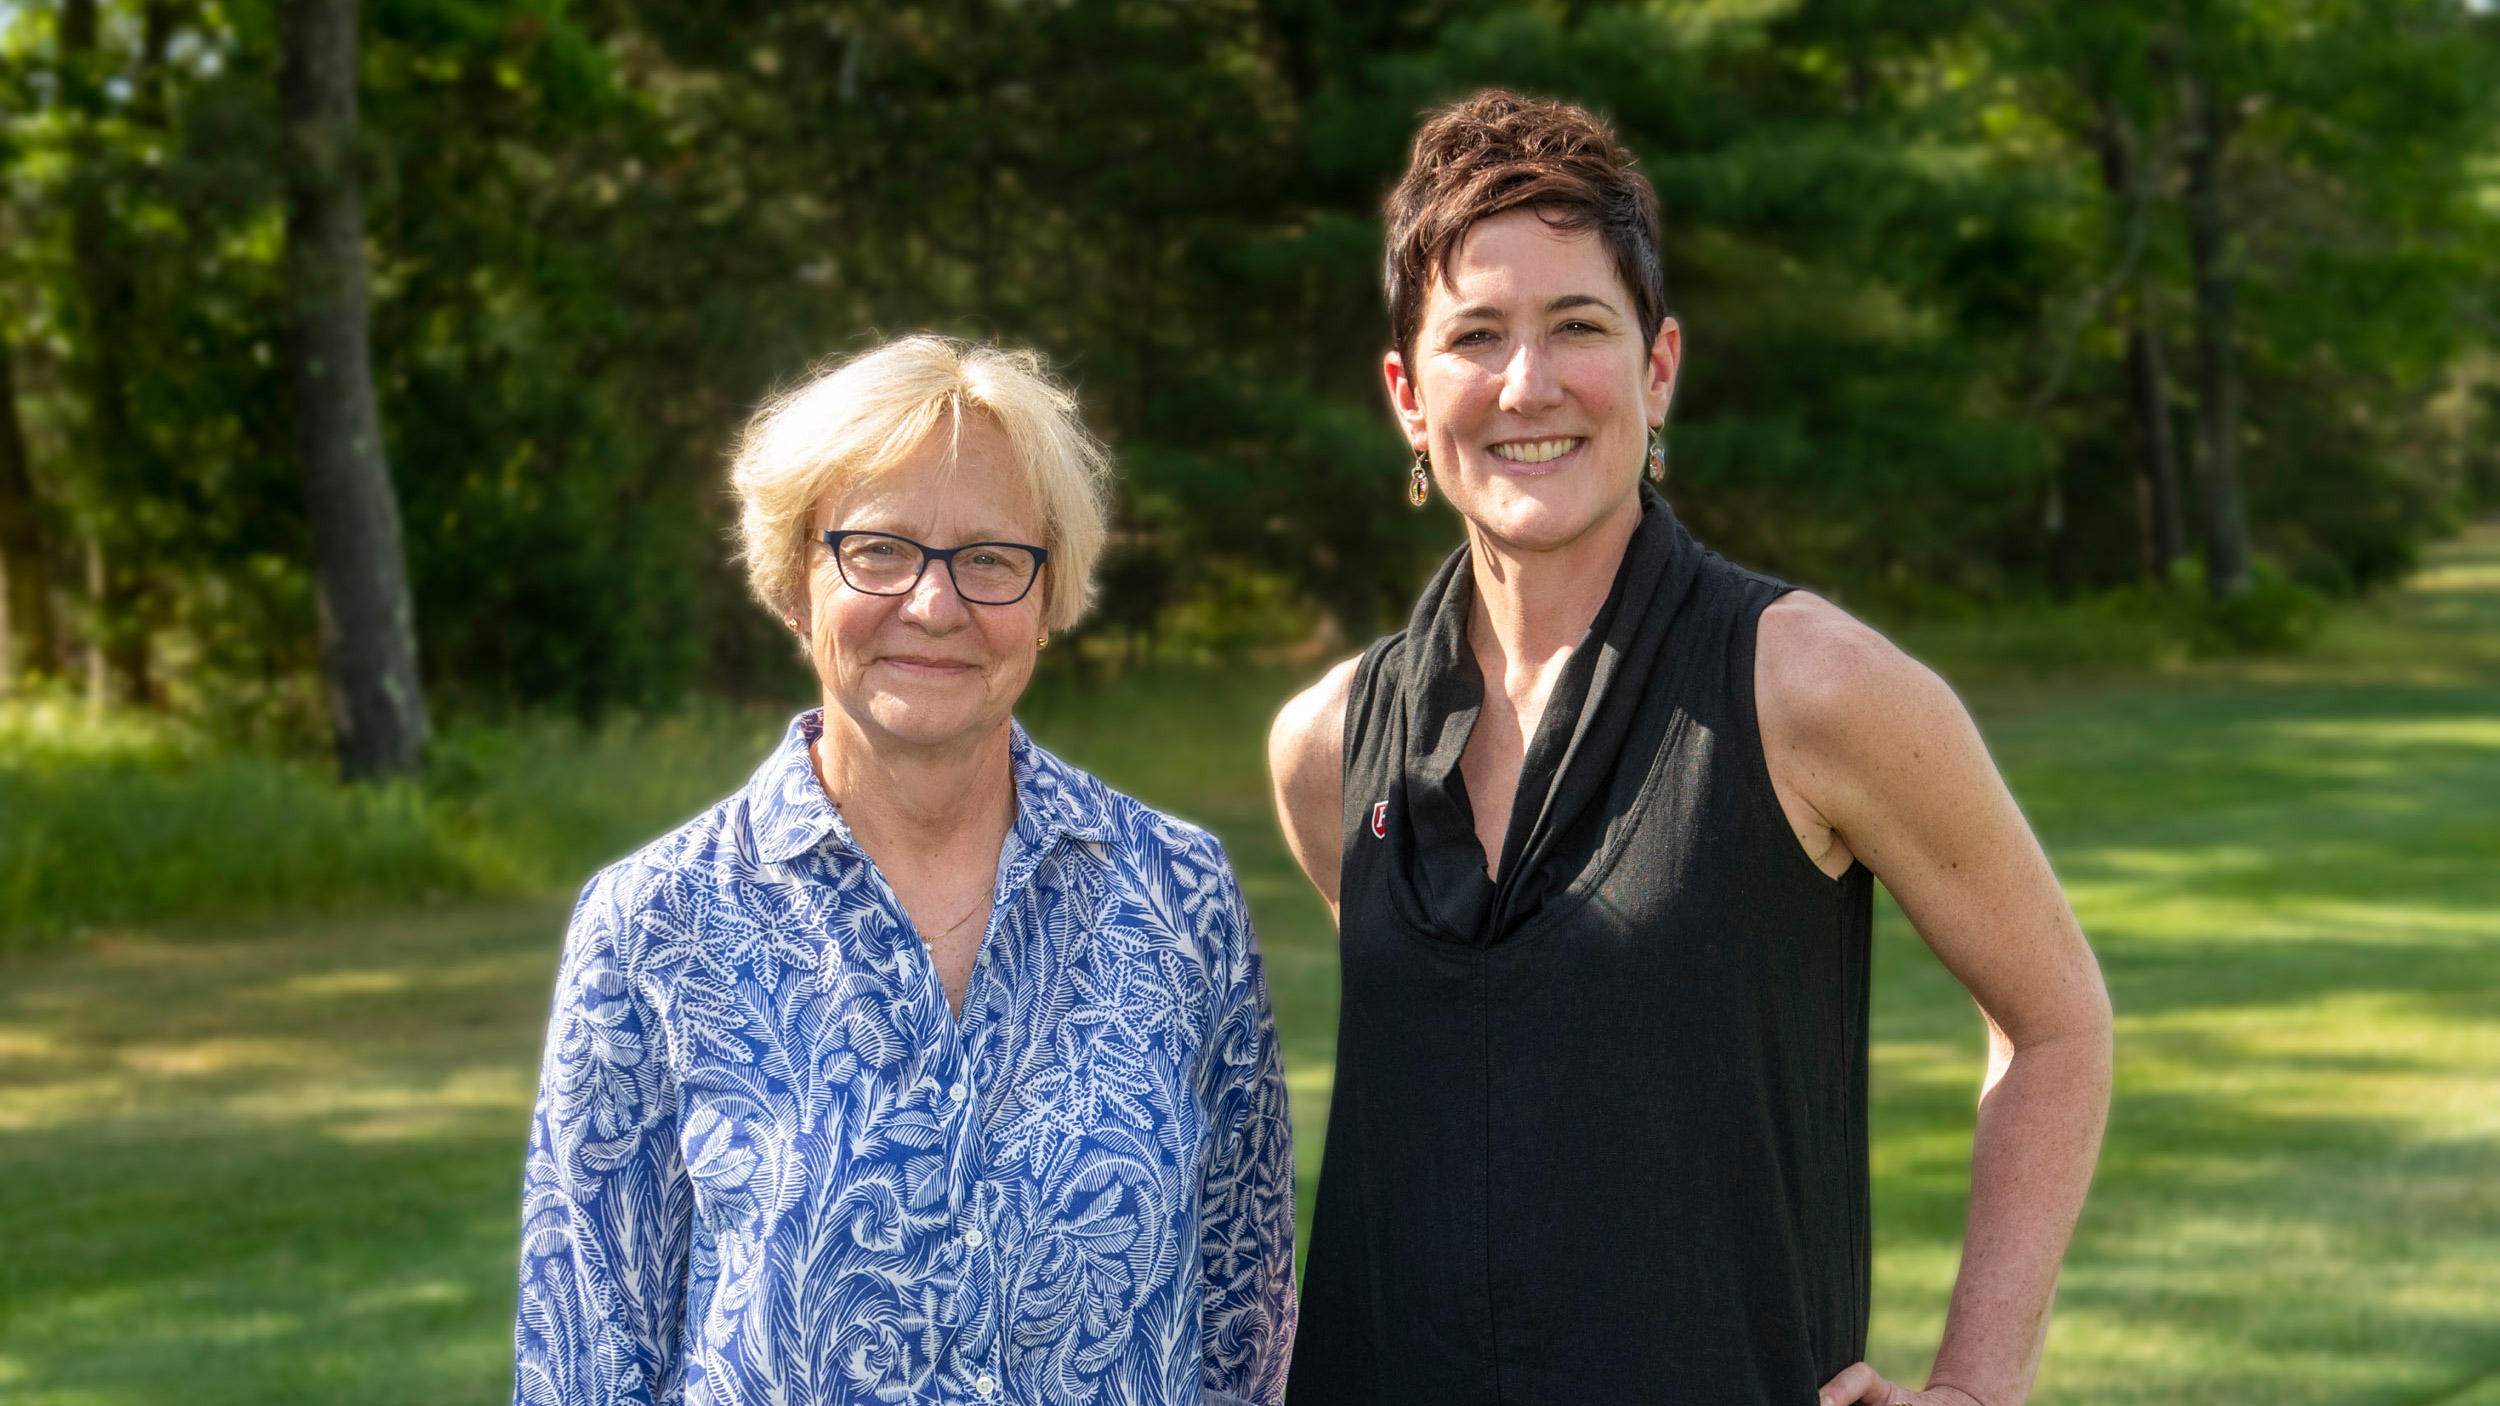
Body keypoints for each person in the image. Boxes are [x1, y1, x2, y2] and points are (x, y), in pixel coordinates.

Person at [1268, 91, 2113, 1406]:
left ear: (1658, 369)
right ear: (1406, 397)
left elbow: (2058, 1021)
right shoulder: (1326, 745)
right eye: (1475, 336)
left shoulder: (1813, 687)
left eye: (1579, 328)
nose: (1528, 385)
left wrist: (1975, 1383)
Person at [513, 334, 1296, 1406]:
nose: (934, 604)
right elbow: (584, 1362)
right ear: (796, 578)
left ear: (1047, 596)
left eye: (989, 558)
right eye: (877, 548)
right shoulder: (653, 924)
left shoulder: (1178, 896)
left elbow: (1245, 1325)